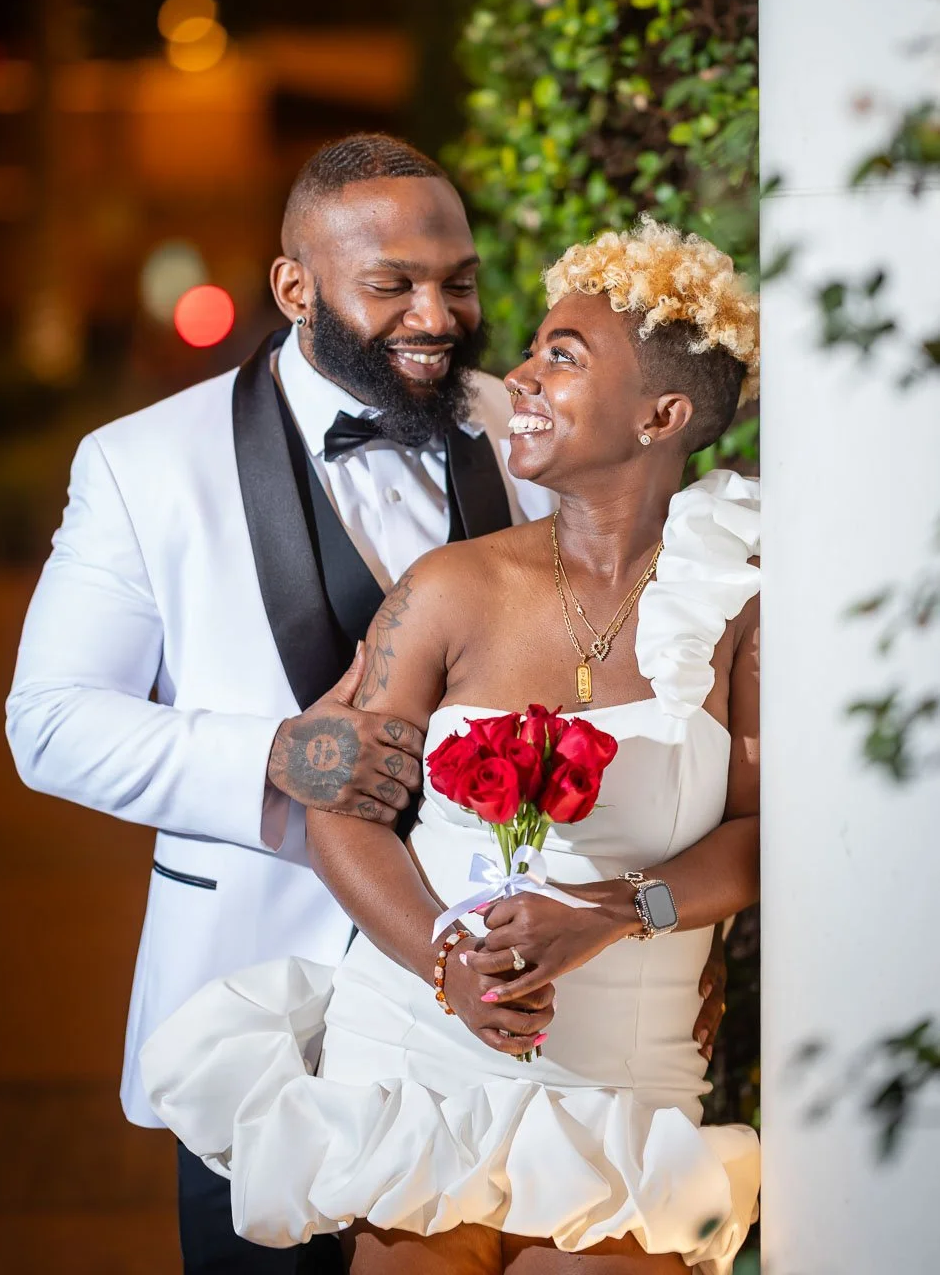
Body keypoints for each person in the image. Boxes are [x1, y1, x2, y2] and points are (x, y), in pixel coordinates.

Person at [142, 217, 761, 1275]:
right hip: (418, 1065)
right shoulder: (446, 588)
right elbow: (340, 800)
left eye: (559, 358)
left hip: (619, 1085)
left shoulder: (740, 606)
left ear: (661, 414)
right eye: (531, 349)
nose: (515, 376)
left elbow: (763, 836)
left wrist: (613, 913)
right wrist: (443, 959)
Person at [7, 133, 563, 1275]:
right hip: (258, 1020)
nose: (437, 316)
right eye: (392, 285)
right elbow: (50, 721)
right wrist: (280, 754)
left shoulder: (525, 427)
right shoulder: (142, 463)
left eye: (457, 282)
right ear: (294, 286)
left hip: (496, 1007)